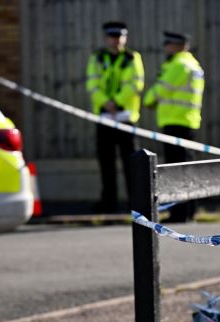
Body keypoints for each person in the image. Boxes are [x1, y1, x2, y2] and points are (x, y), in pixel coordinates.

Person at [143, 31, 205, 222]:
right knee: (187, 168)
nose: (166, 47)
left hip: (176, 122)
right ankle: (189, 211)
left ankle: (179, 213)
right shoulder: (192, 64)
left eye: (168, 44)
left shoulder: (178, 64)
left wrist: (148, 100)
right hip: (187, 121)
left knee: (176, 170)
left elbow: (161, 89)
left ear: (179, 45)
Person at [86, 21, 145, 213]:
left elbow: (135, 84)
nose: (116, 40)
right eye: (112, 37)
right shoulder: (97, 58)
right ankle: (108, 202)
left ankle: (134, 203)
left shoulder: (132, 58)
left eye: (120, 37)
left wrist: (117, 102)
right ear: (106, 38)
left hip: (125, 117)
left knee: (131, 163)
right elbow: (92, 84)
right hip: (104, 116)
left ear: (125, 38)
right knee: (106, 162)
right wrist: (105, 102)